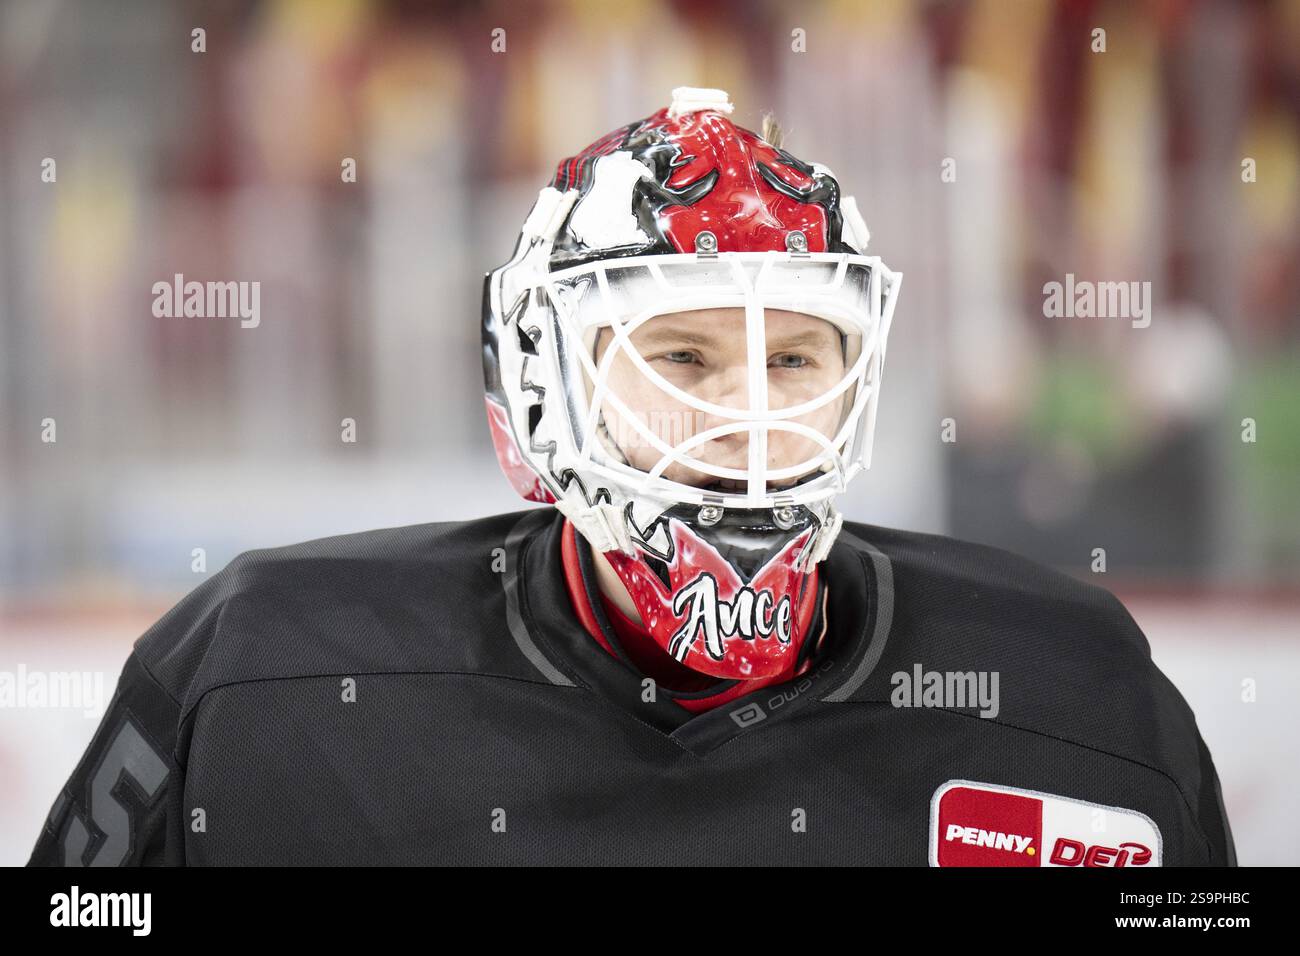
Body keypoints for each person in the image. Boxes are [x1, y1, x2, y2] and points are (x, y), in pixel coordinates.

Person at [29, 87, 1235, 866]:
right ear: (547, 390)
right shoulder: (254, 677)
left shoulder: (1085, 704)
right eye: (682, 353)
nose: (750, 414)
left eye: (795, 355)